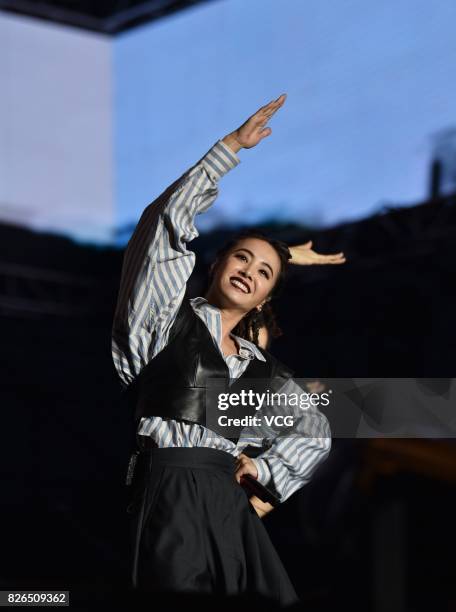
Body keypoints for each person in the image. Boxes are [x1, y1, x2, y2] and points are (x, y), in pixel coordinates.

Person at [112, 93, 333, 607]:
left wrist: (263, 475)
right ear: (216, 263)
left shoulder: (260, 370)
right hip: (169, 485)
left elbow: (315, 430)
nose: (248, 272)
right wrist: (231, 147)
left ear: (268, 296)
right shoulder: (165, 323)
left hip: (227, 500)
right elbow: (163, 230)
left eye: (263, 273)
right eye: (241, 257)